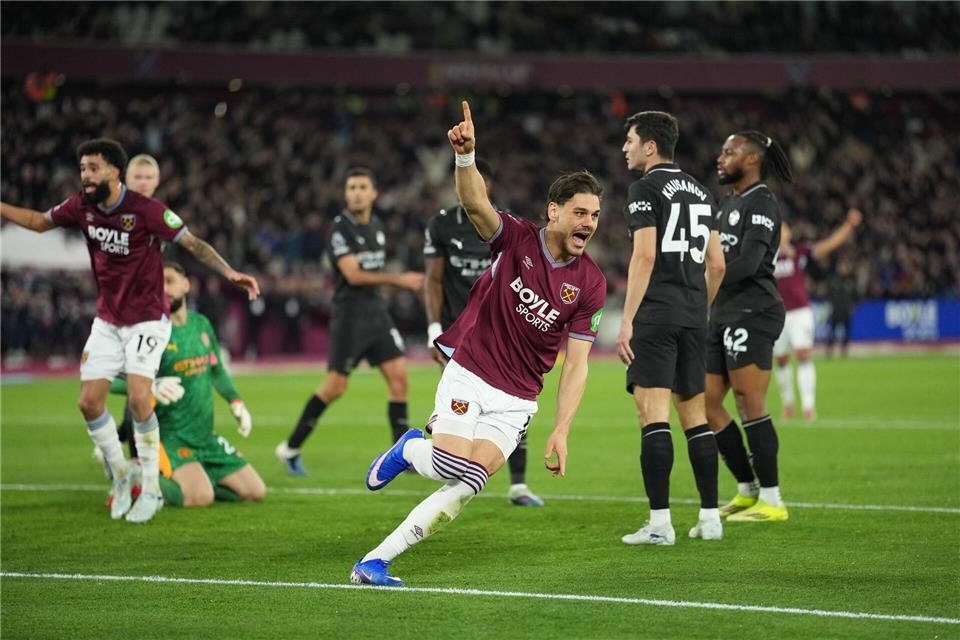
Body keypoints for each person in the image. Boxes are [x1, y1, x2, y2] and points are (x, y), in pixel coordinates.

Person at [350, 101, 607, 587]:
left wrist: (562, 428)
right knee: (449, 462)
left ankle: (375, 562)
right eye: (579, 212)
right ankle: (409, 450)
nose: (589, 223)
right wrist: (466, 158)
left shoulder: (590, 282)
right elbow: (476, 205)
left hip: (518, 400)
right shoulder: (516, 239)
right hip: (472, 371)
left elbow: (576, 365)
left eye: (594, 215)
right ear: (554, 212)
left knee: (469, 483)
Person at [0, 138, 260, 524]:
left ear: (113, 172)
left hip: (147, 319)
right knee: (88, 403)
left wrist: (230, 272)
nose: (85, 176)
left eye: (93, 168)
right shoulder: (81, 206)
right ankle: (122, 475)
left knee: (140, 398)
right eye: (83, 168)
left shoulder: (147, 211)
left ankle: (152, 489)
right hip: (107, 320)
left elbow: (193, 244)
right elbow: (40, 222)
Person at [615, 111, 727, 546]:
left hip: (656, 314)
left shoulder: (644, 189)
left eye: (630, 140)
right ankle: (710, 517)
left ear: (650, 146)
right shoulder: (702, 191)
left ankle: (660, 524)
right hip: (692, 316)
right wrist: (699, 305)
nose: (624, 148)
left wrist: (626, 319)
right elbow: (716, 263)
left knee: (652, 415)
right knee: (695, 417)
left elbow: (644, 256)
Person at [275, 167, 424, 475]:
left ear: (373, 194)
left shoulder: (377, 227)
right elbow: (354, 276)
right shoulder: (339, 230)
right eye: (351, 187)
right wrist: (399, 279)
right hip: (350, 317)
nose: (356, 192)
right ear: (346, 194)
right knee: (335, 387)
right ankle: (290, 447)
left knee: (399, 379)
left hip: (377, 315)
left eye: (362, 187)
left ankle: (400, 455)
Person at [424, 158, 544, 508]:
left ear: (486, 185)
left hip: (500, 331)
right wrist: (434, 328)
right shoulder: (441, 225)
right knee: (463, 405)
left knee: (514, 401)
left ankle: (518, 485)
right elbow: (432, 279)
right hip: (457, 332)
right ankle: (444, 445)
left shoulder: (504, 227)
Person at [112, 263, 265, 507]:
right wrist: (150, 386)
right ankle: (136, 476)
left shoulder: (201, 324)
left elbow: (216, 370)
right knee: (200, 498)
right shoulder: (149, 332)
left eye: (169, 281)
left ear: (186, 285)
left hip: (204, 437)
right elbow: (109, 379)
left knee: (255, 491)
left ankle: (196, 476)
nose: (164, 289)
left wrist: (236, 402)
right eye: (157, 284)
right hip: (170, 437)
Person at [706, 130, 793, 522]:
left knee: (748, 401)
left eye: (730, 152)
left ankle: (772, 500)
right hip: (721, 311)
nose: (721, 158)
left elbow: (750, 263)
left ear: (752, 159)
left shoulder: (762, 203)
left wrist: (703, 275)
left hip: (754, 311)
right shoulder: (726, 203)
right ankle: (747, 488)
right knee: (706, 401)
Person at [774, 209, 862, 419]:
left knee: (804, 355)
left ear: (789, 234)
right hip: (777, 314)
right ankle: (787, 404)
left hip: (800, 313)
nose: (780, 231)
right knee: (781, 360)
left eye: (783, 228)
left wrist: (849, 225)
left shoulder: (800, 253)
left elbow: (829, 245)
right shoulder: (766, 258)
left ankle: (808, 406)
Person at [825, 258, 859, 358]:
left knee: (846, 332)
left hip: (846, 311)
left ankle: (844, 350)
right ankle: (829, 350)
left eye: (845, 266)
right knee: (832, 332)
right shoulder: (833, 280)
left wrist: (853, 306)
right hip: (835, 311)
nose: (843, 269)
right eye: (841, 266)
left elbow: (857, 296)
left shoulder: (851, 281)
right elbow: (827, 294)